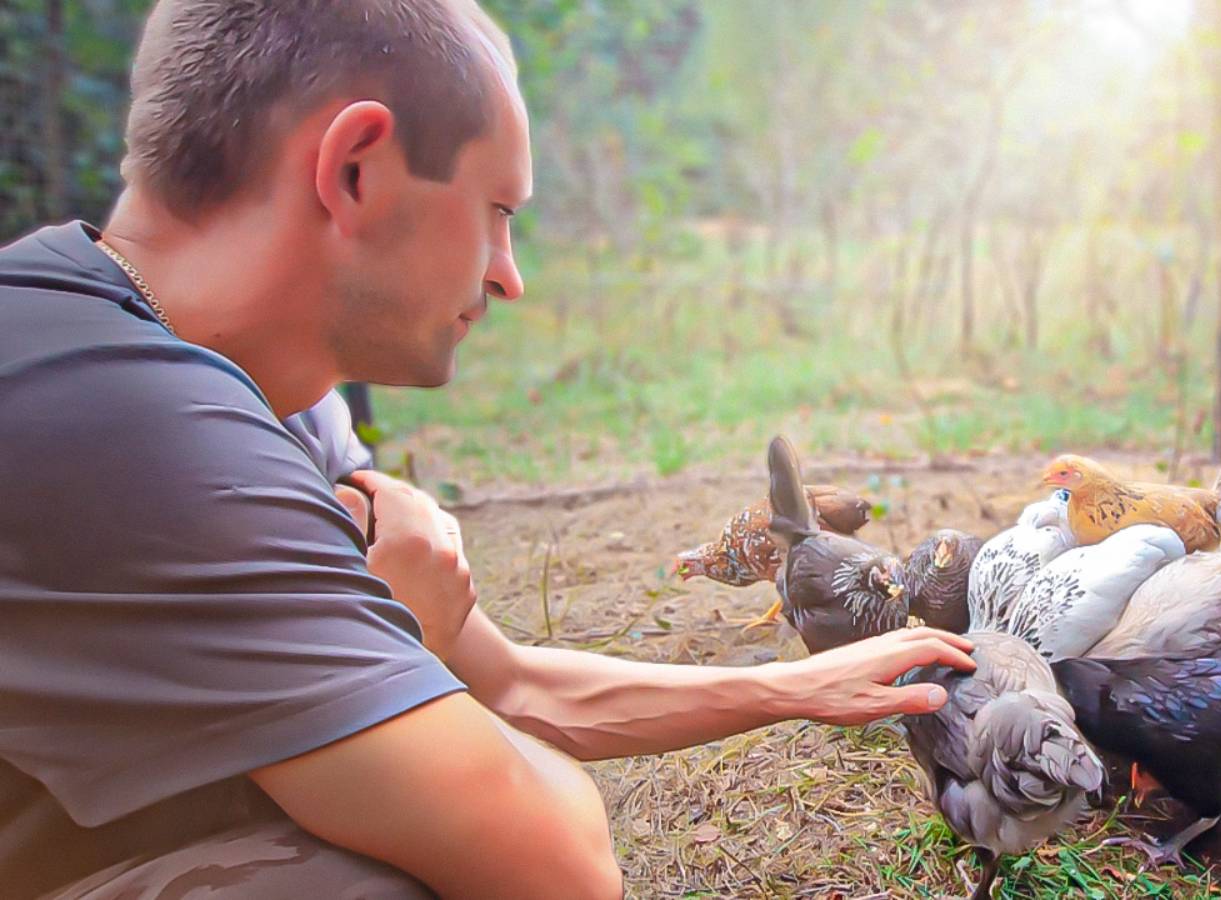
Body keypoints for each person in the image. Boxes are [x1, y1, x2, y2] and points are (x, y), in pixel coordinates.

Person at [0, 2, 976, 898]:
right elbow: (559, 869)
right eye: (497, 212)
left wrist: (786, 689)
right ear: (356, 171)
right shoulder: (123, 418)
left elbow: (506, 681)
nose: (509, 277)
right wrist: (416, 653)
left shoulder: (274, 393)